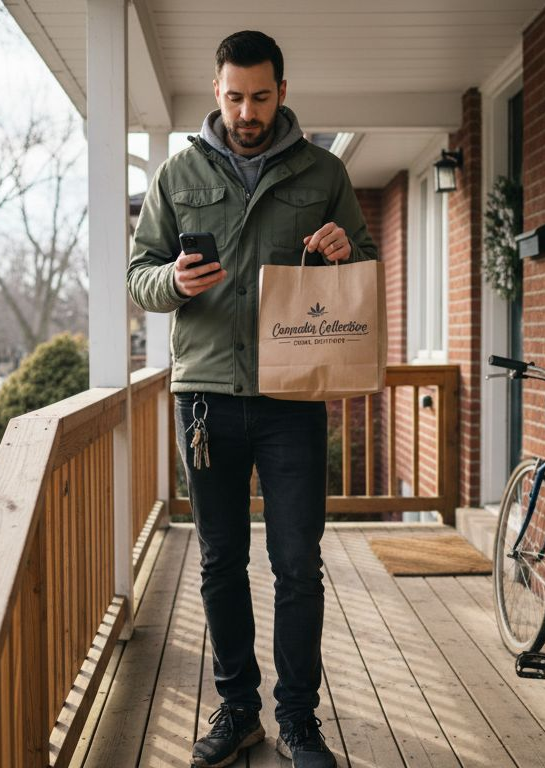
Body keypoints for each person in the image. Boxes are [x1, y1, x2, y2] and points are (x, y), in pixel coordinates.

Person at [127, 29, 375, 768]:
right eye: (234, 96)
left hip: (292, 396)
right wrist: (173, 282)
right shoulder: (176, 172)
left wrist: (343, 252)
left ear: (282, 92)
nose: (246, 110)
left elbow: (362, 262)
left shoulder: (323, 172)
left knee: (298, 563)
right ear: (217, 93)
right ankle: (238, 710)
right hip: (203, 396)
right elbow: (137, 271)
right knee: (219, 560)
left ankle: (299, 720)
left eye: (260, 96)